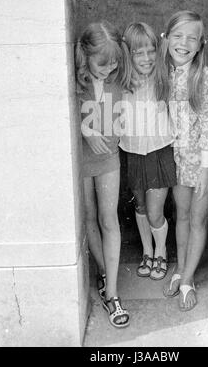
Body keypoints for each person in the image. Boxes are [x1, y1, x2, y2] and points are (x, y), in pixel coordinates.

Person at [75, 21, 129, 328]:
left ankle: (112, 293)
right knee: (89, 217)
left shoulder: (116, 82)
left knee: (109, 219)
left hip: (109, 157)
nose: (108, 69)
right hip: (82, 159)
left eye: (113, 63)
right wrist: (84, 128)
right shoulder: (77, 83)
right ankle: (104, 271)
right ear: (86, 56)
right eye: (101, 63)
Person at [161, 10, 208, 311]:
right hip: (176, 160)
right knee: (180, 216)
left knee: (197, 219)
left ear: (200, 43)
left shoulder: (202, 76)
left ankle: (188, 279)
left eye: (191, 38)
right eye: (178, 36)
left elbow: (207, 123)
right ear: (166, 39)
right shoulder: (163, 74)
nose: (184, 43)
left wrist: (206, 170)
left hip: (199, 163)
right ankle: (181, 267)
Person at [119, 22, 177, 281]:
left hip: (159, 150)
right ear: (127, 55)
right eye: (138, 52)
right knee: (140, 206)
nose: (146, 58)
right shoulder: (122, 81)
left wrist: (160, 45)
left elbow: (168, 46)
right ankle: (147, 252)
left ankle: (161, 251)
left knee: (155, 212)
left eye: (150, 50)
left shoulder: (162, 76)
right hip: (132, 151)